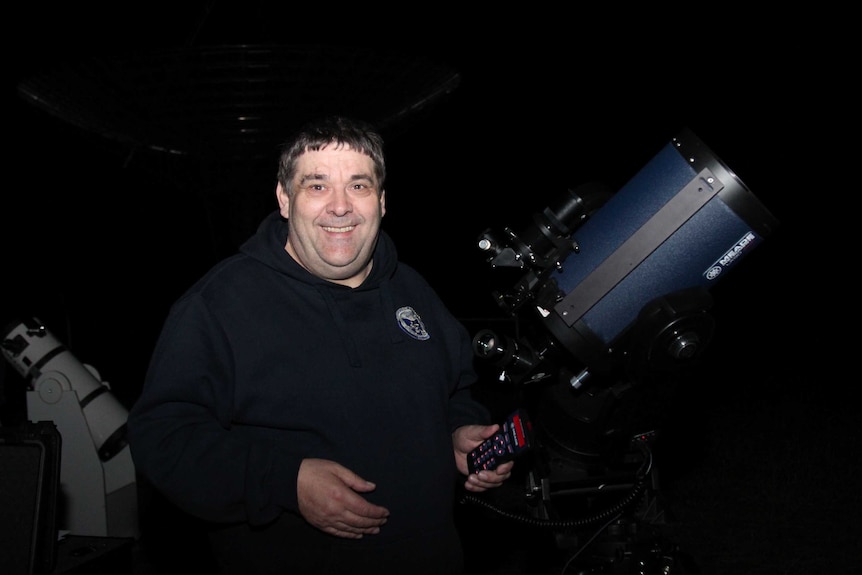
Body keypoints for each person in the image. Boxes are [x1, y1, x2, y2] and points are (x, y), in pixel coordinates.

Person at [126, 115, 514, 575]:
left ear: (382, 201)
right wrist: (286, 483)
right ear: (284, 199)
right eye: (316, 186)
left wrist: (459, 434)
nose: (340, 207)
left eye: (358, 186)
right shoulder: (219, 305)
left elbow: (456, 393)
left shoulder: (412, 290)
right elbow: (163, 437)